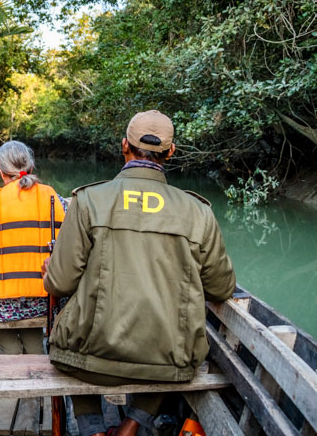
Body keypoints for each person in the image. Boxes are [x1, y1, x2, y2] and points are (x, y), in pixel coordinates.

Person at [42, 110, 236, 436]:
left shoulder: (89, 200)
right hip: (168, 363)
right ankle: (133, 424)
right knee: (170, 345)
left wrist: (52, 269)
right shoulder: (198, 212)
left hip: (90, 358)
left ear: (124, 147)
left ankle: (93, 430)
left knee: (68, 345)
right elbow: (222, 287)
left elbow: (60, 284)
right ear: (170, 153)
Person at [0, 140, 68, 354]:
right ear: (30, 167)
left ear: (0, 172)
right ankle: (35, 351)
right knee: (32, 314)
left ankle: (10, 351)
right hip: (43, 300)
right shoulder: (54, 198)